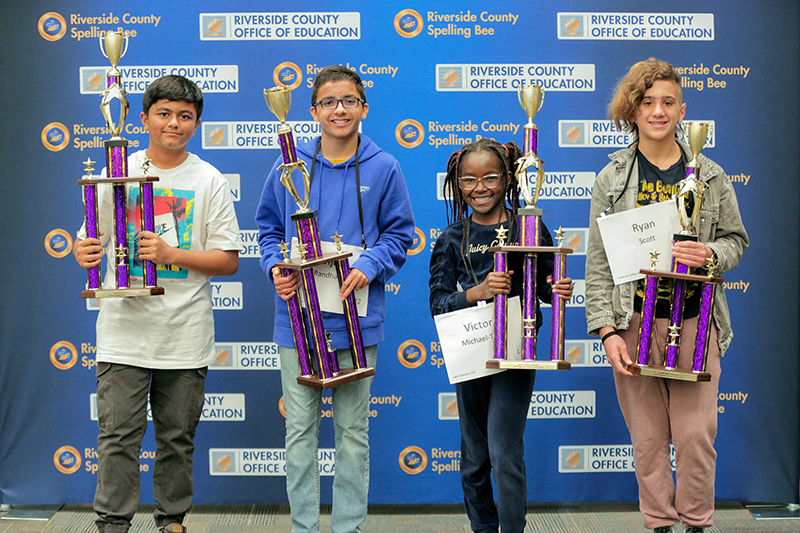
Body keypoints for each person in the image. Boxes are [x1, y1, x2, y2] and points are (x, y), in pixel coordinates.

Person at [585, 58, 748, 533]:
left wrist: (710, 254)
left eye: (668, 102)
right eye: (647, 102)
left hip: (697, 321)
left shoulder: (711, 176)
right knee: (648, 440)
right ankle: (658, 523)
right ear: (632, 111)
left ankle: (697, 522)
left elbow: (736, 241)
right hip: (633, 320)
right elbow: (599, 261)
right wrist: (605, 329)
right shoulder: (611, 179)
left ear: (683, 111)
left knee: (696, 435)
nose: (658, 111)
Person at [74, 75, 241, 533]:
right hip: (123, 334)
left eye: (185, 116)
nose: (174, 123)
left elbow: (228, 260)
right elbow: (89, 235)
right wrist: (82, 249)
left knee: (177, 439)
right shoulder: (116, 168)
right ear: (143, 118)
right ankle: (112, 523)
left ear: (197, 123)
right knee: (118, 438)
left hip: (184, 336)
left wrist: (171, 255)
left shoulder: (209, 180)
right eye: (164, 114)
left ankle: (171, 521)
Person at [255, 65, 415, 533]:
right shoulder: (289, 164)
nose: (339, 109)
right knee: (299, 432)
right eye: (328, 102)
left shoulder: (385, 165)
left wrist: (370, 265)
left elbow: (400, 235)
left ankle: (348, 526)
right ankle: (303, 526)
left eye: (348, 100)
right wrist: (275, 269)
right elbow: (267, 231)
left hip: (357, 321)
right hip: (298, 321)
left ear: (364, 107)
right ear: (313, 111)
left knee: (352, 435)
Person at [429, 138, 573, 533]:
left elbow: (542, 287)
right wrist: (476, 293)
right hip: (471, 354)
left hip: (516, 353)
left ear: (508, 179)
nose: (480, 187)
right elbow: (438, 303)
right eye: (469, 179)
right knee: (475, 457)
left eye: (491, 177)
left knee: (505, 452)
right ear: (456, 184)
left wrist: (556, 289)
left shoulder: (527, 226)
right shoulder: (450, 237)